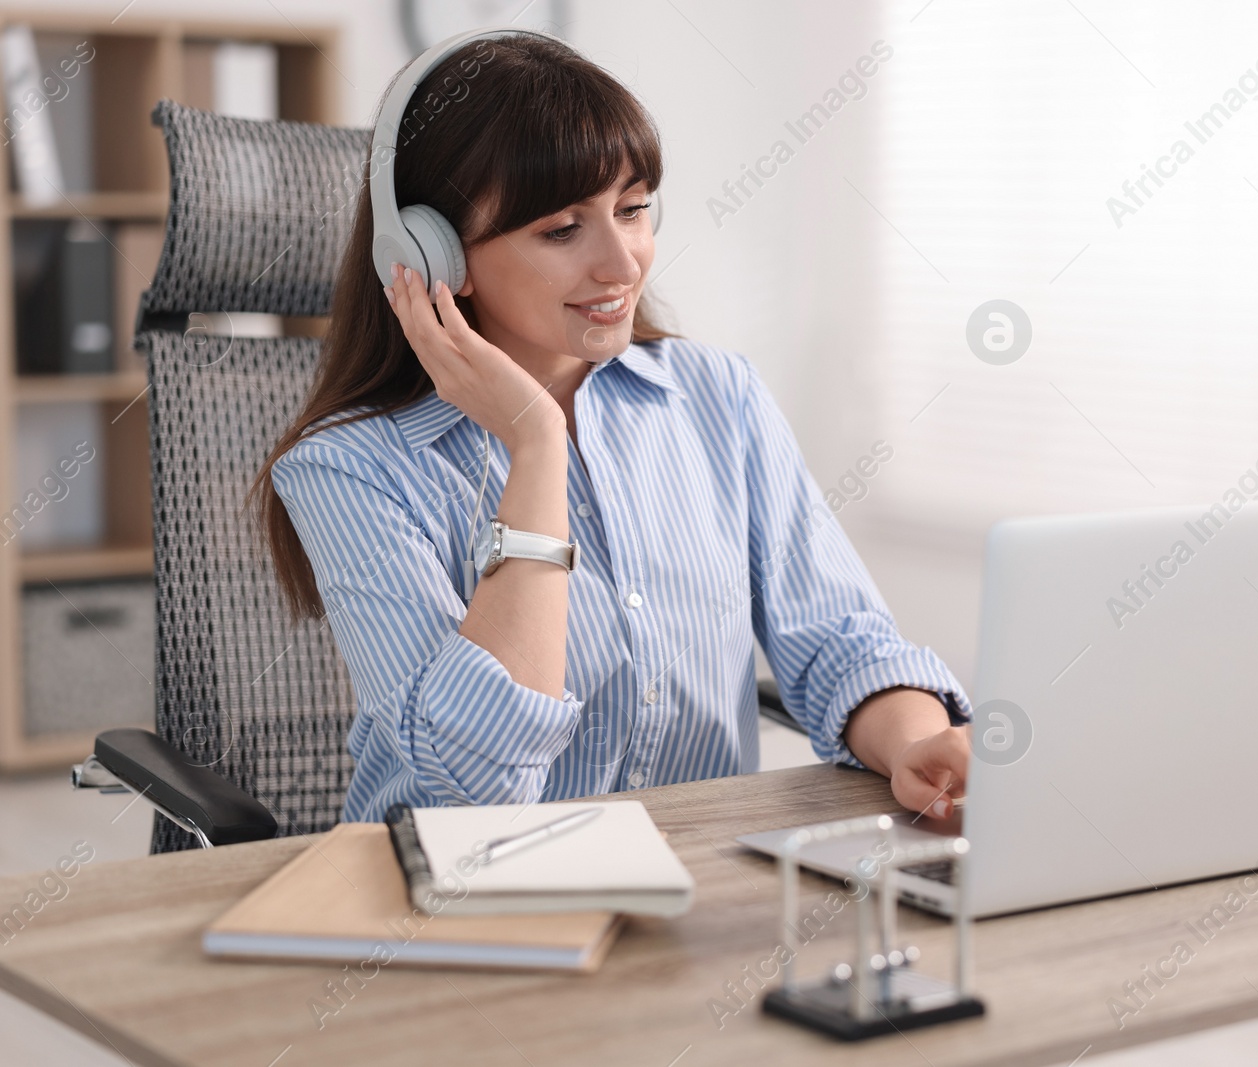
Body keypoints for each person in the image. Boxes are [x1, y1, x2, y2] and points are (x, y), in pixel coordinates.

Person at [249, 31, 973, 825]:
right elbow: (467, 788)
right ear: (432, 256)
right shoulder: (349, 468)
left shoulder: (716, 397)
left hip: (696, 890)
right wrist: (535, 446)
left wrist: (914, 744)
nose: (623, 263)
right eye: (563, 229)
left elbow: (839, 639)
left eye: (632, 212)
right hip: (458, 907)